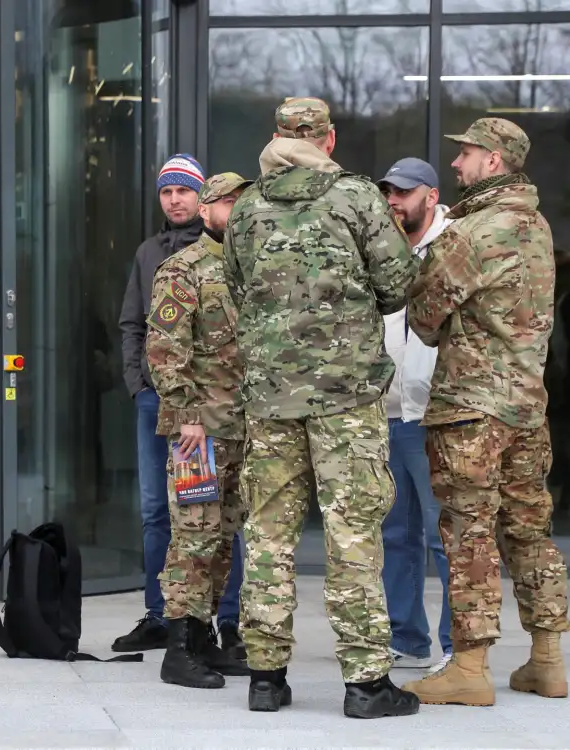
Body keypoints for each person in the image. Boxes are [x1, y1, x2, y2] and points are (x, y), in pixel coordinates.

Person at [222, 96, 421, 718]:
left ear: (277, 137)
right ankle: (365, 685)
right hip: (346, 399)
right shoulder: (356, 197)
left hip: (270, 399)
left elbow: (236, 287)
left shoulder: (246, 206)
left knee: (268, 537)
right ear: (327, 140)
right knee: (352, 534)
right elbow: (397, 285)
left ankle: (264, 678)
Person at [402, 118, 569, 707]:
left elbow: (423, 317)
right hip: (527, 408)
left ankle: (469, 670)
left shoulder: (473, 231)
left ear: (494, 160)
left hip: (471, 409)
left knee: (469, 532)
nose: (457, 163)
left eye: (467, 153)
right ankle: (547, 662)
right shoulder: (537, 226)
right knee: (530, 529)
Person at [116, 154, 242, 656]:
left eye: (184, 191)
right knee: (159, 513)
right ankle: (161, 616)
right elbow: (135, 325)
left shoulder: (231, 253)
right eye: (166, 192)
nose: (174, 200)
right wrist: (140, 386)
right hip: (162, 405)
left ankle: (224, 621)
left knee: (220, 515)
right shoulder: (151, 254)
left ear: (202, 199)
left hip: (213, 413)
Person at [146, 172, 255, 688]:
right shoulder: (183, 269)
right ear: (206, 210)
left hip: (240, 428)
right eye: (227, 202)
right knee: (193, 536)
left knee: (224, 537)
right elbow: (165, 349)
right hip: (198, 433)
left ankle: (204, 635)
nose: (236, 210)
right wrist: (187, 413)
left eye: (242, 202)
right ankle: (179, 648)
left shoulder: (249, 267)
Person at [376, 158, 454, 674]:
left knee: (445, 536)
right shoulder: (384, 249)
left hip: (434, 416)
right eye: (389, 192)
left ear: (430, 195)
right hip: (388, 415)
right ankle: (406, 637)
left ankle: (456, 646)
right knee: (395, 536)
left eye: (403, 192)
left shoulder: (454, 247)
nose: (393, 201)